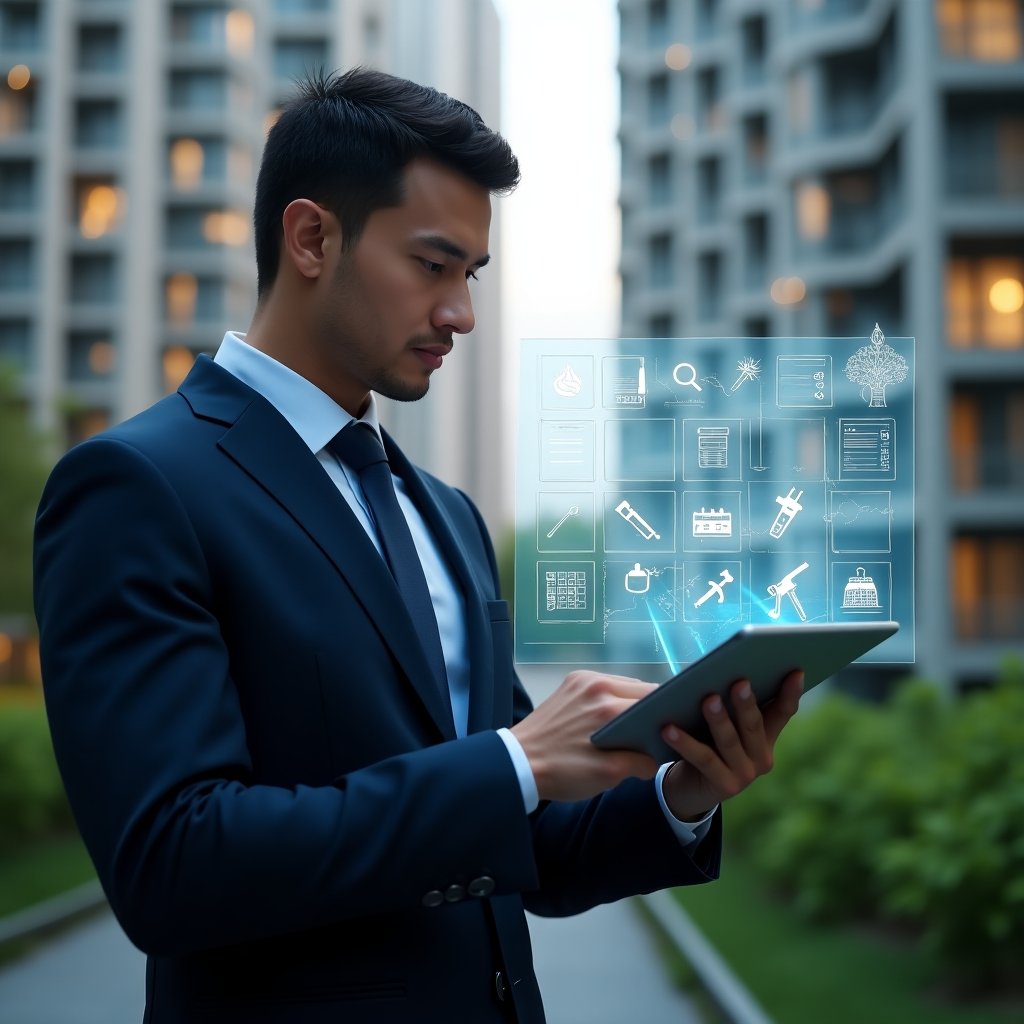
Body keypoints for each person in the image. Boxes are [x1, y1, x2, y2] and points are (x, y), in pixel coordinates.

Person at [33, 67, 802, 1024]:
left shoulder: (445, 513)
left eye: (471, 276)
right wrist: (514, 762)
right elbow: (174, 866)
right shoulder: (138, 486)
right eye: (433, 266)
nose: (461, 315)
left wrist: (681, 793)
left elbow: (521, 847)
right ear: (312, 237)